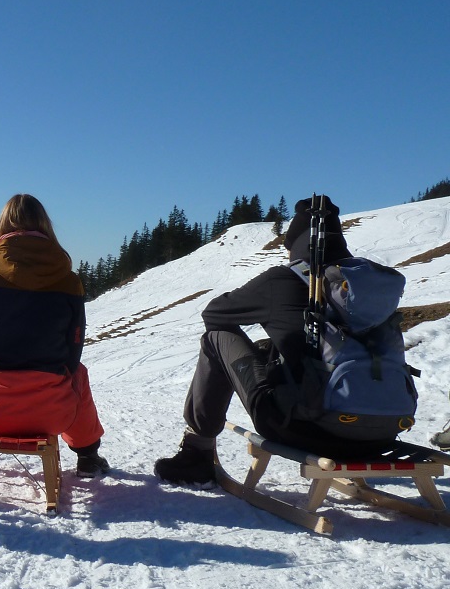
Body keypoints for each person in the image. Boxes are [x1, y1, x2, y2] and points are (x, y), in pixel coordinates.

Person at [154, 195, 385, 485]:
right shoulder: (370, 288)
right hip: (382, 433)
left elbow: (215, 314)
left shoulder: (284, 280)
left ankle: (196, 452)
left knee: (216, 338)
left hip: (305, 429)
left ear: (297, 244)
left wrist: (272, 343)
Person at [0, 194, 110, 477]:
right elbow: (74, 352)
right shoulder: (68, 281)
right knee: (78, 374)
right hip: (51, 414)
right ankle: (88, 457)